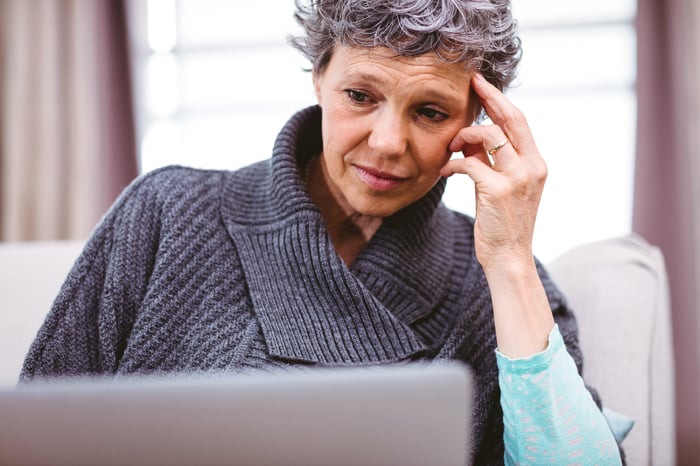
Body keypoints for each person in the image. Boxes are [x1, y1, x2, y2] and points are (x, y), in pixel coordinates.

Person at [21, 0, 624, 463]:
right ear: (319, 76)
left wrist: (512, 261)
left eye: (430, 112)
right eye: (360, 96)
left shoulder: (499, 287)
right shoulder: (167, 211)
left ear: (476, 121)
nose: (387, 143)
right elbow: (35, 434)